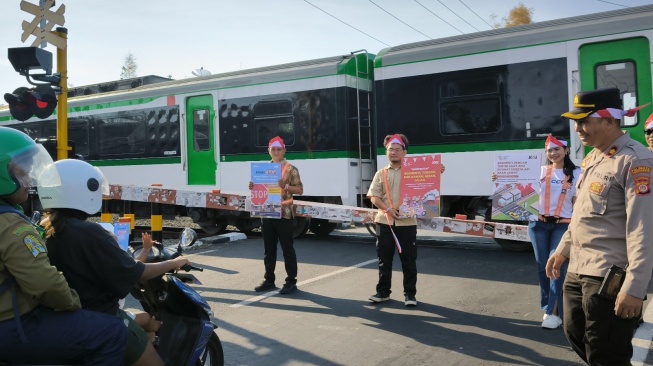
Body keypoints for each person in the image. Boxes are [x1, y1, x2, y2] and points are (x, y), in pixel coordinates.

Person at [37, 158, 191, 366]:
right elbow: (135, 272)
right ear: (84, 190)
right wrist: (175, 262)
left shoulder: (45, 227)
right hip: (101, 318)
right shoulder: (89, 233)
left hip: (64, 319)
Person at [0, 127, 128, 365]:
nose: (28, 179)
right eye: (20, 172)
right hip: (11, 327)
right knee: (111, 332)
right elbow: (45, 284)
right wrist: (73, 303)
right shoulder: (11, 225)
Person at [546, 88, 653, 365]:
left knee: (606, 352)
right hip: (578, 269)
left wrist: (635, 288)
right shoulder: (593, 158)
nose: (578, 128)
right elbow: (581, 214)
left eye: (584, 121)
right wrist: (562, 250)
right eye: (576, 122)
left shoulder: (635, 160)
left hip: (607, 275)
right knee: (575, 334)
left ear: (609, 120)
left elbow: (643, 229)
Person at [367, 134, 445, 307]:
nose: (393, 152)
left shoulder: (415, 172)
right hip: (384, 221)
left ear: (404, 152)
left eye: (397, 149)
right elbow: (374, 196)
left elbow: (430, 181)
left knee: (408, 260)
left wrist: (435, 170)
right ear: (386, 152)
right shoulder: (381, 173)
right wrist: (387, 209)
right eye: (390, 150)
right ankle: (383, 292)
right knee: (383, 259)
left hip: (407, 223)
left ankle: (410, 294)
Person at [528, 135, 580, 329]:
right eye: (549, 150)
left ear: (566, 151)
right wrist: (499, 178)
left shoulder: (577, 173)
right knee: (542, 266)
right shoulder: (538, 171)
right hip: (538, 224)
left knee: (555, 264)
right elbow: (519, 187)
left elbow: (580, 200)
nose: (553, 153)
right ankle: (548, 305)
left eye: (557, 149)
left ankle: (553, 312)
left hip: (562, 225)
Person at [249, 136, 304, 294]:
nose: (276, 151)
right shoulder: (263, 169)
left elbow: (300, 190)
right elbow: (260, 190)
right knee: (269, 250)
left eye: (279, 149)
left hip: (284, 214)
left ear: (284, 150)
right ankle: (269, 280)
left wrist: (286, 186)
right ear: (269, 151)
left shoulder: (291, 169)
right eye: (273, 149)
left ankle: (291, 281)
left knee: (287, 249)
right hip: (266, 212)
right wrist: (252, 186)